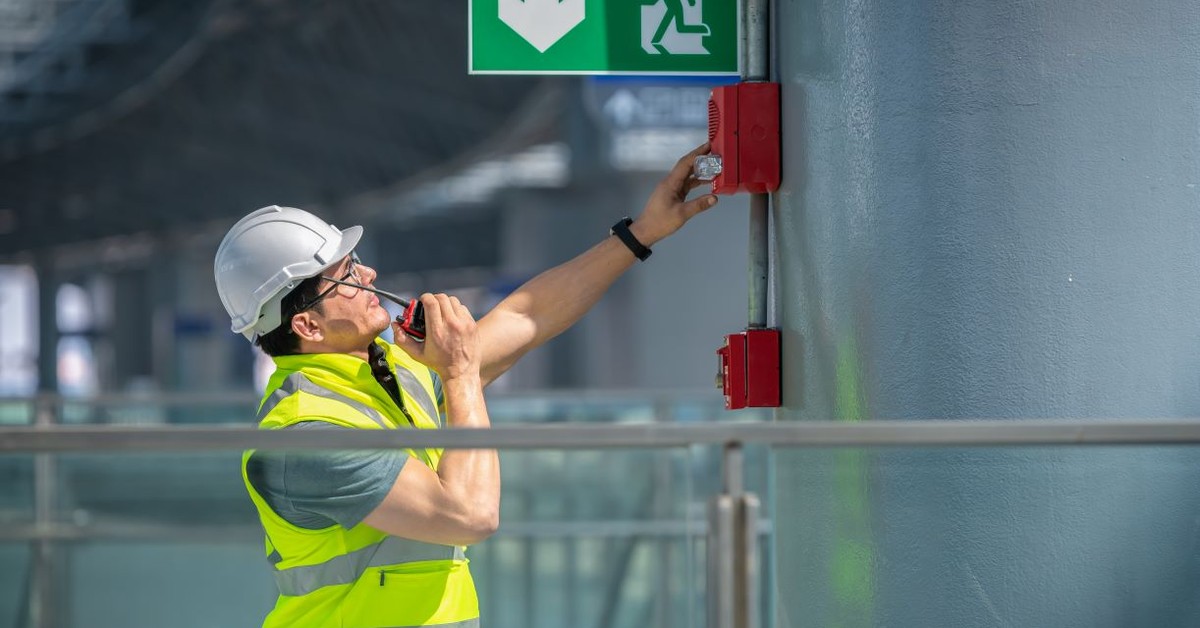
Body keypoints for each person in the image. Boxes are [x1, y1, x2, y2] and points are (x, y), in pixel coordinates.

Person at [212, 143, 719, 628]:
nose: (368, 274)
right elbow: (469, 515)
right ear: (307, 327)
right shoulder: (304, 437)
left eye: (356, 262)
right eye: (346, 277)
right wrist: (459, 373)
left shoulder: (394, 370)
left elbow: (527, 315)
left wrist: (643, 232)